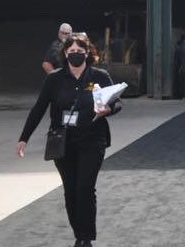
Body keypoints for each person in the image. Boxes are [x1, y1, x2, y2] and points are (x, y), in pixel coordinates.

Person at [16, 37, 122, 247]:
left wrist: (108, 109)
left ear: (87, 52)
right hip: (63, 142)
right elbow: (39, 109)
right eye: (71, 49)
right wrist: (24, 138)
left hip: (93, 139)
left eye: (79, 49)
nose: (75, 53)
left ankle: (86, 238)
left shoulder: (99, 76)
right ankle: (79, 233)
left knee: (85, 188)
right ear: (65, 53)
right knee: (71, 190)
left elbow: (117, 102)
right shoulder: (55, 79)